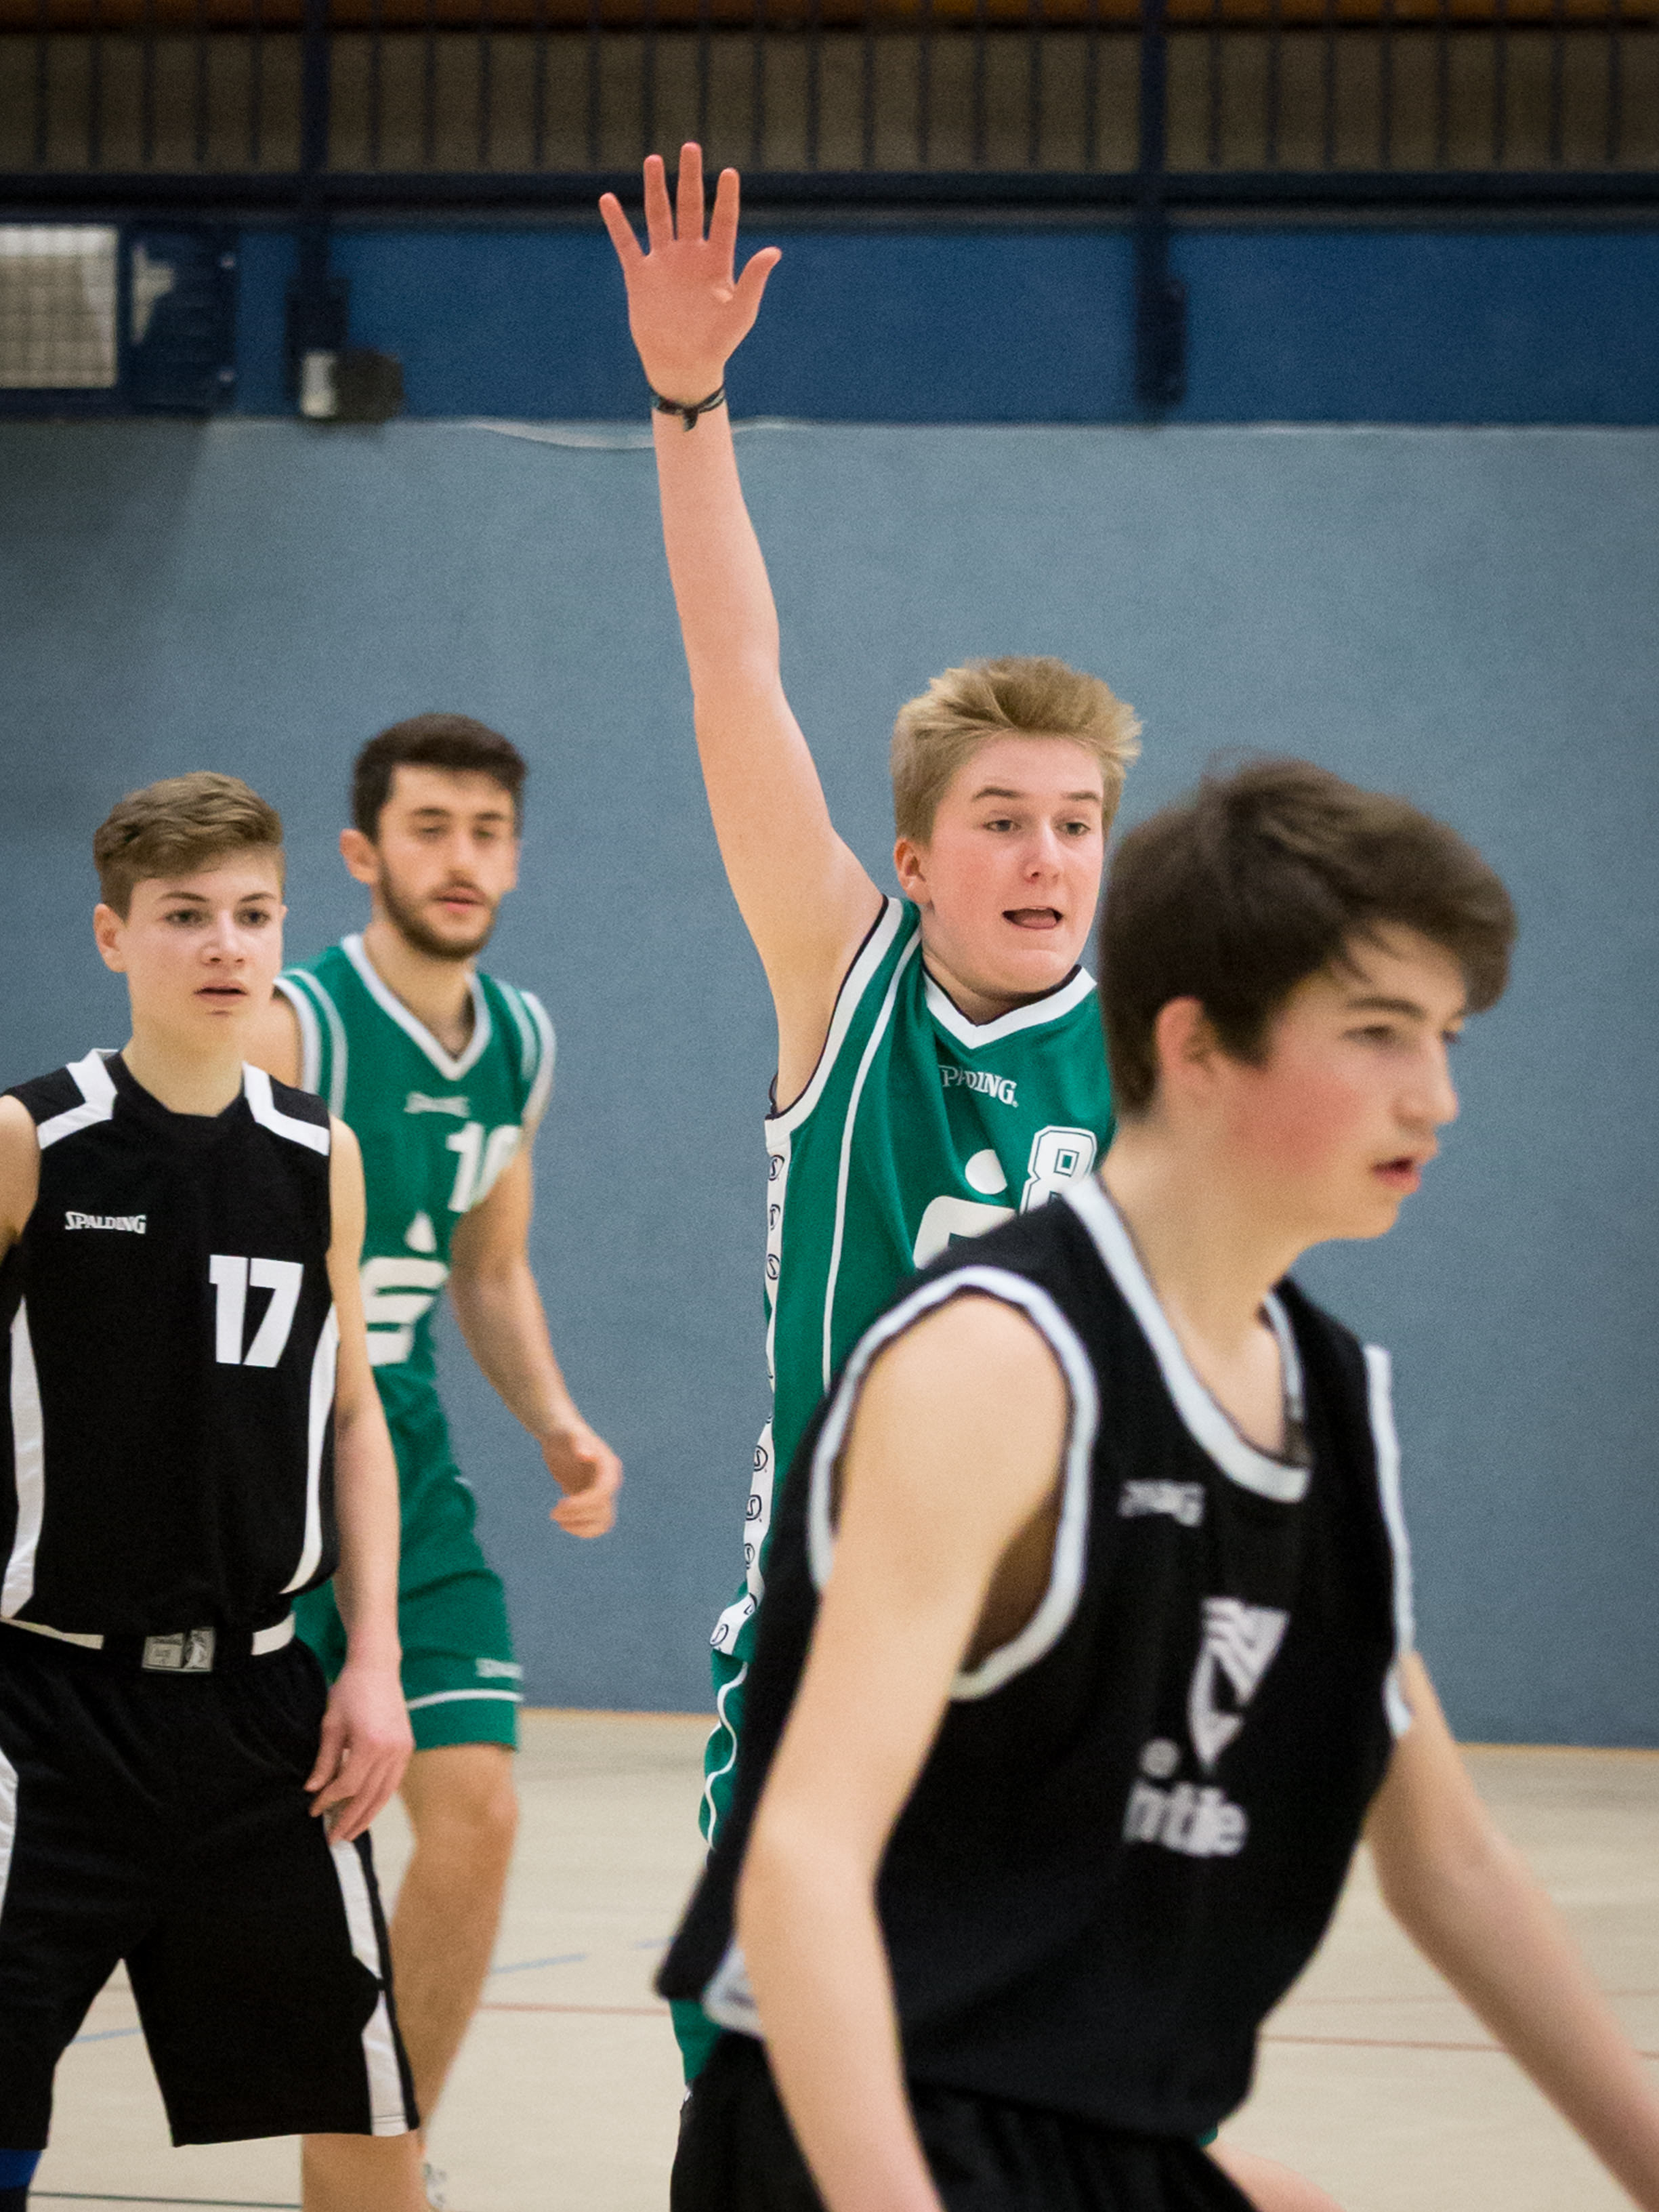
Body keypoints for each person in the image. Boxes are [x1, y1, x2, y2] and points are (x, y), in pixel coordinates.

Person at [602, 146, 1341, 2212]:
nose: (1044, 855)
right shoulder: (843, 983)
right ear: (918, 857)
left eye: (1077, 821)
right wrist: (686, 403)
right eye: (1002, 819)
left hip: (1076, 1693)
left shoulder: (1164, 1078)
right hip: (838, 1661)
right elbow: (736, 674)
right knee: (787, 2142)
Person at [656, 757, 1659, 2212]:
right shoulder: (998, 1363)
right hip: (864, 2125)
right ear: (1196, 1046)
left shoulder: (1324, 1400)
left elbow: (1447, 1860)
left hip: (1084, 2120)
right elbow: (800, 1860)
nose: (1435, 1096)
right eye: (1376, 1034)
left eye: (1443, 1038)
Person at [0, 773, 422, 2212]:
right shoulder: (33, 1139)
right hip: (40, 1708)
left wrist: (373, 1660)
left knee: (366, 2104)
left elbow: (353, 1412)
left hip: (259, 1717)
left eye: (252, 914)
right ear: (114, 936)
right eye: (185, 915)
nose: (224, 945)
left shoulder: (319, 1154)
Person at [245, 714, 621, 2200]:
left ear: (515, 858)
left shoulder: (517, 1041)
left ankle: (376, 2157)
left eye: (487, 832)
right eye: (429, 828)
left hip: (399, 1445)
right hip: (258, 1446)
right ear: (363, 853)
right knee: (225, 1845)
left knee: (476, 1808)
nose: (461, 858)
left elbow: (491, 1265)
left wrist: (555, 1418)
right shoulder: (295, 1026)